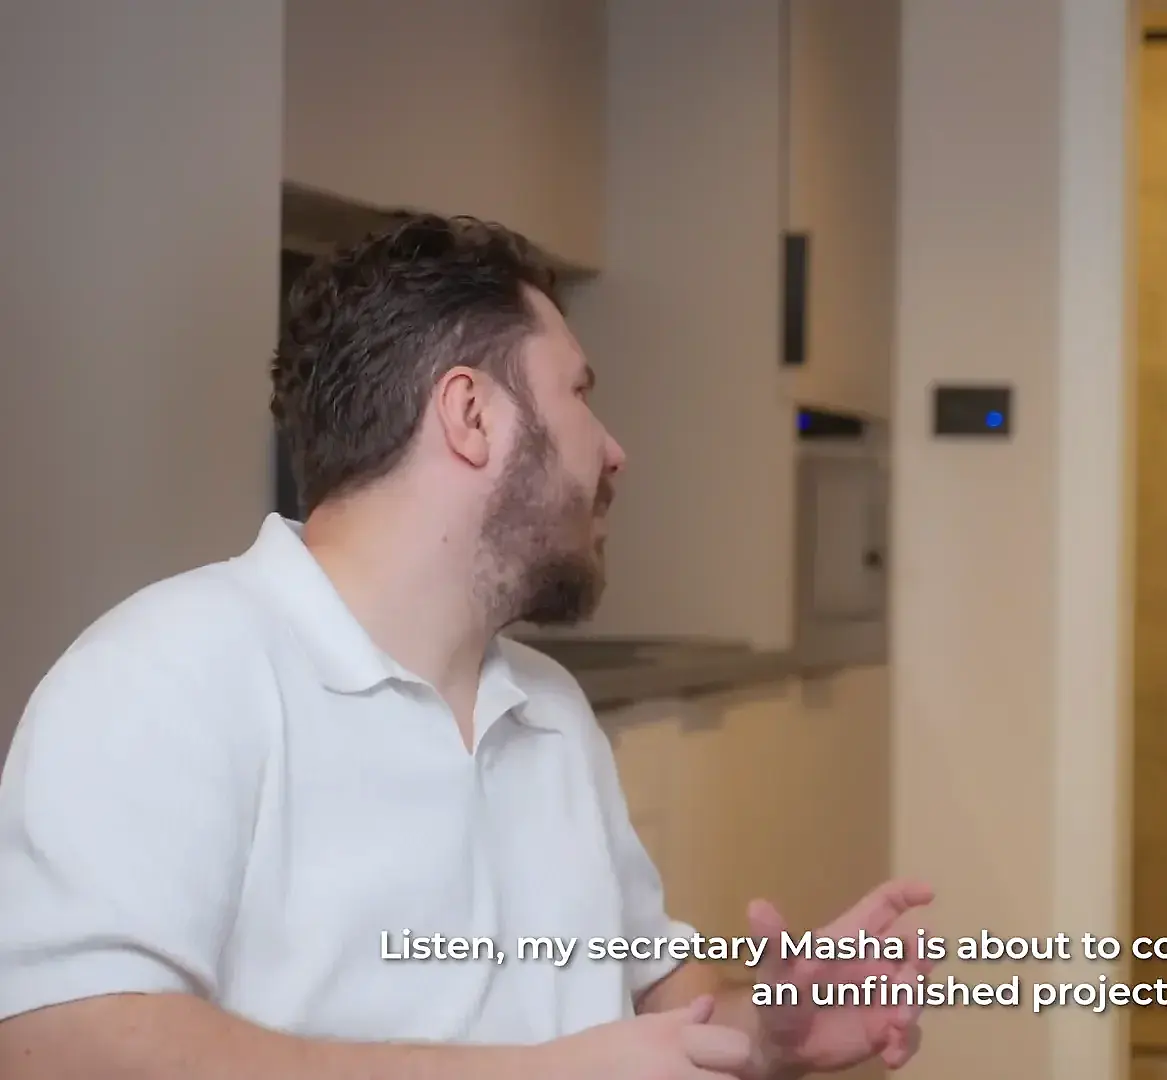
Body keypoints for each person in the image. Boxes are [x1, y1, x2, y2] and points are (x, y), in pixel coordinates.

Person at [0, 215, 933, 1079]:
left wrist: (766, 1029)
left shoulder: (550, 706)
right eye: (579, 393)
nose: (614, 451)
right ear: (471, 415)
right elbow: (53, 1043)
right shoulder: (164, 672)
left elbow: (657, 993)